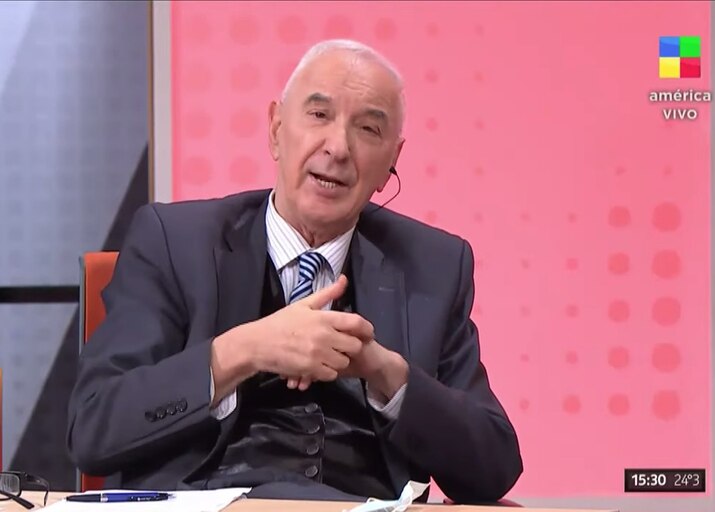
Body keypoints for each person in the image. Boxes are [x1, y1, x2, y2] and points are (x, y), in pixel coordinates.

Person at [67, 39, 523, 503]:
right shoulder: (175, 242)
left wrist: (387, 373)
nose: (338, 148)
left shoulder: (433, 266)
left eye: (368, 128)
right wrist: (244, 350)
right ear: (276, 129)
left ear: (392, 160)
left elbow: (493, 468)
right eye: (319, 115)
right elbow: (95, 427)